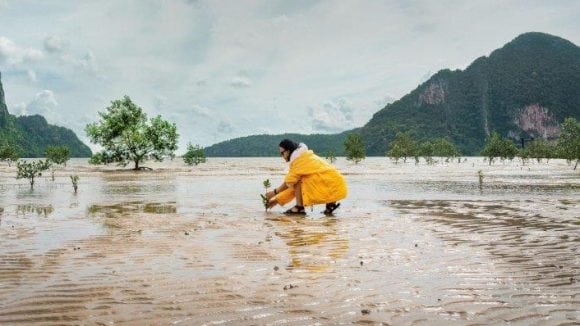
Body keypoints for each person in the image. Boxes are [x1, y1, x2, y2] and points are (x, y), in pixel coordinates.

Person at [265, 139, 348, 215]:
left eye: (282, 153)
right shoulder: (304, 156)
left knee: (297, 181)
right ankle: (330, 206)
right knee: (302, 180)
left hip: (331, 185)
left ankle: (299, 207)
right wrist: (277, 200)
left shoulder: (299, 161)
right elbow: (295, 189)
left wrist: (274, 193)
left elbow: (289, 183)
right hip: (337, 185)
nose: (281, 156)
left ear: (288, 151)